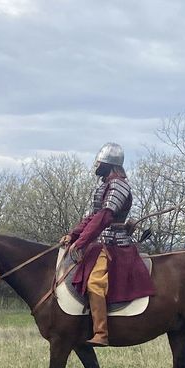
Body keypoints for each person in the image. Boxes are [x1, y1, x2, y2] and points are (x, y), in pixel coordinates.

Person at [60, 142, 154, 347]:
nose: (97, 164)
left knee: (95, 283)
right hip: (100, 243)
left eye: (101, 161)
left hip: (114, 244)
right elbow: (92, 217)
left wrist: (82, 242)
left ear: (110, 163)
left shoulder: (119, 185)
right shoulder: (104, 186)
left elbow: (104, 217)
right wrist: (73, 235)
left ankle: (101, 332)